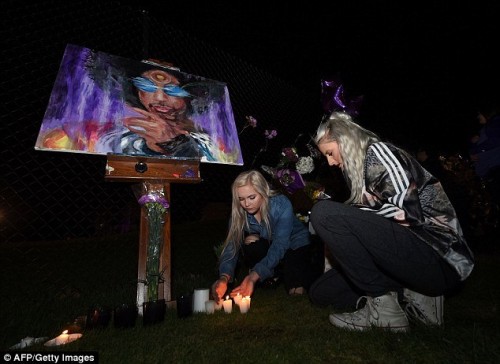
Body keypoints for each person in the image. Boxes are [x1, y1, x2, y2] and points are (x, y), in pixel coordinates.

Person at [308, 111, 474, 332]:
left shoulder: (378, 153)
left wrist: (347, 216)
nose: (330, 162)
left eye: (330, 153)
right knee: (321, 293)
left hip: (439, 258)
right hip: (406, 258)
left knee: (324, 214)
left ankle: (385, 308)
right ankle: (412, 295)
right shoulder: (361, 174)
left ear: (344, 140)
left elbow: (410, 214)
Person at [211, 170, 317, 302]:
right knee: (252, 245)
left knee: (295, 288)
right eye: (241, 199)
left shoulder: (281, 204)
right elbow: (231, 247)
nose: (246, 204)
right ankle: (274, 274)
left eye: (251, 197)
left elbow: (280, 244)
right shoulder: (239, 213)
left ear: (263, 192)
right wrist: (224, 277)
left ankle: (290, 271)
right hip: (272, 243)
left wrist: (253, 276)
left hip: (296, 242)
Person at [119, 68, 215, 160]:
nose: (159, 98)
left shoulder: (208, 138)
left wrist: (171, 144)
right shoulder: (124, 134)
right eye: (146, 86)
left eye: (174, 90)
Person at [469, 96, 500, 209]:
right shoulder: (486, 128)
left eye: (479, 113)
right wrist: (473, 147)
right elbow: (477, 146)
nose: (478, 117)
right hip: (491, 173)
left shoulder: (495, 123)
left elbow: (495, 141)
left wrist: (477, 150)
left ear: (487, 113)